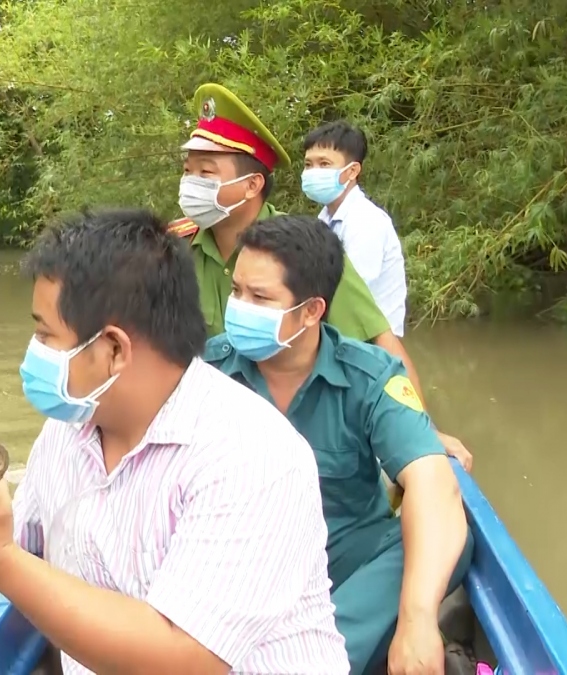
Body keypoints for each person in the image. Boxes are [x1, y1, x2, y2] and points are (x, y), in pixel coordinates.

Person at [0, 208, 350, 674]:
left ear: (114, 349)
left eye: (45, 334)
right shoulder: (71, 425)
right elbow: (24, 532)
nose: (35, 353)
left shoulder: (255, 455)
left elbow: (185, 659)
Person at [203, 213, 473, 675]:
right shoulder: (205, 374)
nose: (240, 307)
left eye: (260, 297)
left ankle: (313, 659)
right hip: (238, 567)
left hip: (343, 568)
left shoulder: (369, 377)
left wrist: (416, 619)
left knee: (443, 531)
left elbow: (430, 479)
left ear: (312, 311)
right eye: (237, 292)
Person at [170, 83, 472, 471]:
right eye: (188, 171)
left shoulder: (305, 251)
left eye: (206, 173)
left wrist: (423, 430)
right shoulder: (171, 251)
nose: (190, 183)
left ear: (252, 185)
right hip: (208, 443)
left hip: (297, 443)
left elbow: (380, 341)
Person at [302, 121, 407, 336]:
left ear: (352, 171)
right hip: (340, 335)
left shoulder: (367, 222)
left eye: (324, 164)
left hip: (372, 343)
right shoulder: (324, 219)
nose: (313, 172)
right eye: (308, 164)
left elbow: (346, 293)